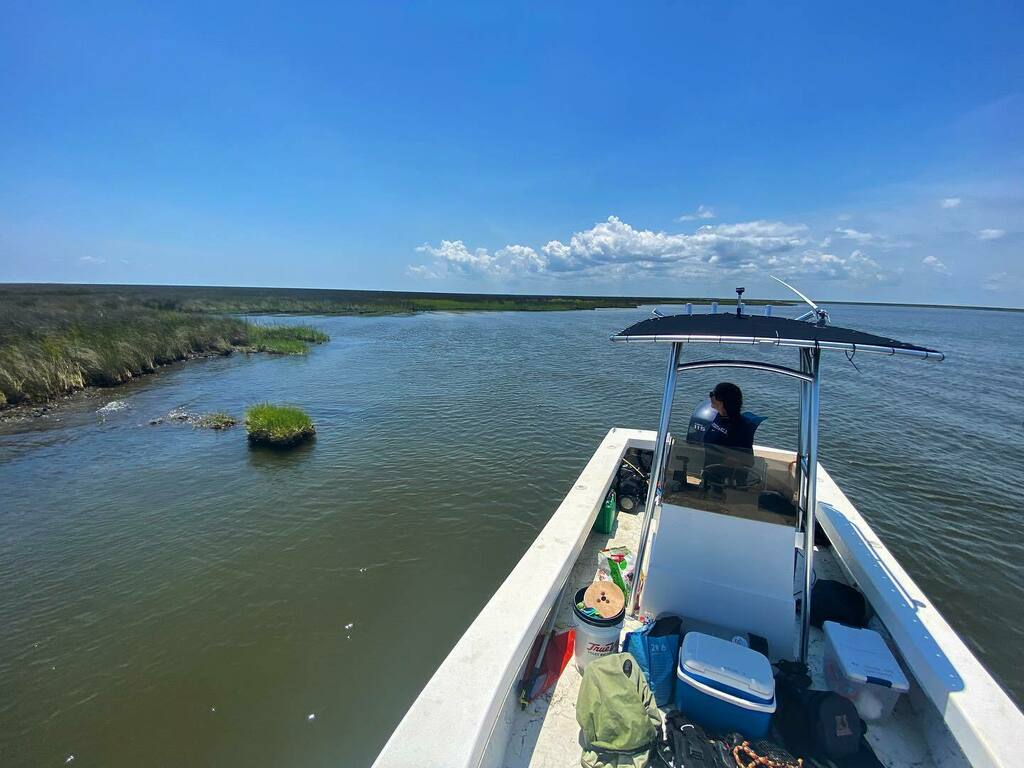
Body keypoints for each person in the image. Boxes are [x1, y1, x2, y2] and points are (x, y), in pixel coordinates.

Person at [703, 382, 755, 453]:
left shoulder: (741, 427)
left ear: (722, 401)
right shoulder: (720, 415)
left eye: (712, 394)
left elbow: (742, 456)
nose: (710, 397)